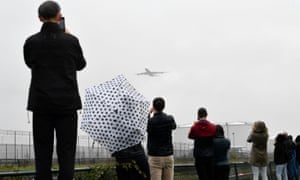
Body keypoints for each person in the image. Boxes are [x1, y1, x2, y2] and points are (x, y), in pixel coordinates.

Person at [23, 1, 86, 179]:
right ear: (59, 16)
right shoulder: (71, 41)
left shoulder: (31, 42)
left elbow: (29, 63)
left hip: (41, 103)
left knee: (42, 153)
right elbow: (81, 65)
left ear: (40, 18)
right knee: (66, 153)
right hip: (67, 104)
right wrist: (68, 37)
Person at [147, 97, 177, 180]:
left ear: (153, 106)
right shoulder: (169, 119)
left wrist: (149, 113)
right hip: (168, 155)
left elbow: (145, 126)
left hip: (155, 156)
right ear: (164, 106)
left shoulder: (150, 122)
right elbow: (174, 126)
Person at [188, 107, 216, 180]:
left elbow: (190, 136)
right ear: (206, 115)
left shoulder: (194, 127)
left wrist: (195, 125)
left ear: (198, 115)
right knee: (211, 176)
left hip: (199, 156)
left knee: (202, 176)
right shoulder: (213, 127)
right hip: (211, 155)